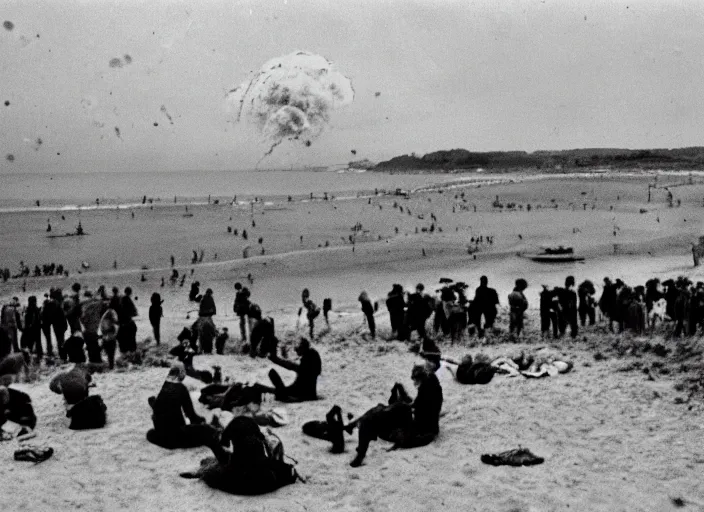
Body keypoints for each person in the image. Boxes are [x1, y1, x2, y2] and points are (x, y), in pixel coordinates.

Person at [349, 362, 443, 467]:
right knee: (381, 410)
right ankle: (357, 425)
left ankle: (360, 448)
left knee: (377, 416)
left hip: (420, 433)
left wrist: (398, 442)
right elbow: (419, 405)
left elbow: (419, 414)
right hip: (419, 428)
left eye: (415, 379)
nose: (414, 382)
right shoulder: (430, 387)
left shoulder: (428, 390)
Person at [180, 415, 299, 495]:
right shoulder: (256, 442)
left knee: (210, 466)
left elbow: (226, 462)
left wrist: (213, 445)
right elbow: (268, 462)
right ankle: (204, 469)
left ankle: (201, 471)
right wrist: (289, 468)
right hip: (265, 484)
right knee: (273, 470)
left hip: (239, 483)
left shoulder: (241, 445)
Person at [146, 363, 226, 455]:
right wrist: (201, 422)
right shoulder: (181, 388)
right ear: (181, 374)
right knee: (208, 432)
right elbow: (191, 415)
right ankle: (224, 458)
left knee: (150, 433)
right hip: (177, 436)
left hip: (160, 436)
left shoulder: (163, 386)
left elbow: (158, 410)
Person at [262, 338, 321, 402]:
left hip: (303, 393)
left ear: (302, 348)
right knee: (276, 388)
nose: (296, 352)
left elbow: (295, 368)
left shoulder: (309, 357)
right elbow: (297, 368)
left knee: (274, 379)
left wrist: (276, 360)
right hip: (306, 391)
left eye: (297, 350)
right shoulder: (310, 355)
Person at [80, 291, 105, 363]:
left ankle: (93, 362)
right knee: (95, 351)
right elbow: (101, 301)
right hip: (92, 331)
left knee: (91, 351)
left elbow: (83, 320)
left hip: (88, 331)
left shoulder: (84, 306)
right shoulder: (95, 306)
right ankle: (96, 363)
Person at [118, 287, 138, 354]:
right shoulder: (128, 300)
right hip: (128, 322)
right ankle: (131, 355)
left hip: (121, 323)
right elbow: (134, 312)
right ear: (130, 292)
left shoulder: (121, 299)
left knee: (123, 343)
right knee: (132, 341)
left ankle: (124, 356)